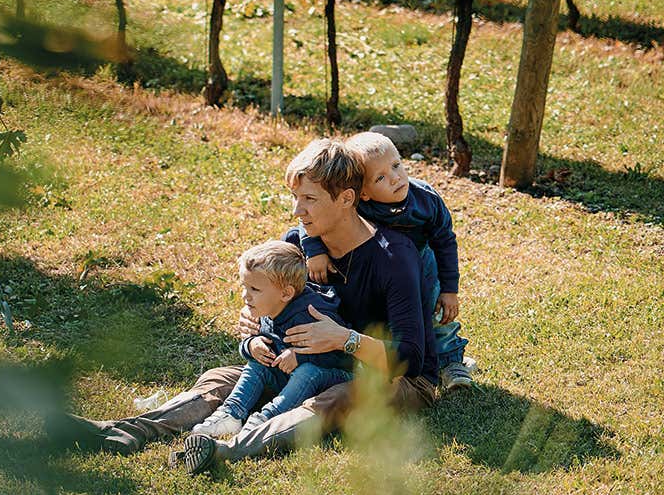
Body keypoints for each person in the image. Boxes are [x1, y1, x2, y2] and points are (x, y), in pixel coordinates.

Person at [50, 138, 437, 465]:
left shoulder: (393, 257)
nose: (297, 210)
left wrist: (342, 339)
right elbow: (273, 299)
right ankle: (122, 433)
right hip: (306, 363)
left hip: (392, 376)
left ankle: (224, 450)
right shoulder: (299, 243)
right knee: (224, 377)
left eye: (309, 199)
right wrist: (256, 323)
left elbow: (411, 360)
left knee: (339, 396)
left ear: (346, 198)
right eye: (294, 197)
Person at [299, 132, 472, 391]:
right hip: (387, 262)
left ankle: (450, 360)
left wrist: (449, 289)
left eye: (396, 165)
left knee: (437, 314)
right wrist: (315, 251)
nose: (395, 178)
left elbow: (445, 242)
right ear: (363, 194)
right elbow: (309, 223)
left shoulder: (425, 199)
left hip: (424, 259)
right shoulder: (359, 208)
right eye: (380, 177)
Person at [189, 241, 353, 439]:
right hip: (290, 378)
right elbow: (254, 342)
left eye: (254, 289)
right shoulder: (268, 307)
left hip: (333, 380)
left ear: (286, 293)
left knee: (307, 371)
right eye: (244, 287)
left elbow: (340, 358)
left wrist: (300, 357)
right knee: (257, 364)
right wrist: (251, 346)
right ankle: (232, 414)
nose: (245, 296)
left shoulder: (310, 315)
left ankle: (266, 420)